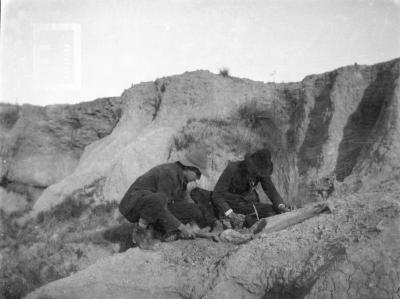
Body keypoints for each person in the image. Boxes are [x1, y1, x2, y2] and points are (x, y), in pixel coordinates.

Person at [118, 147, 213, 249]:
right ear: (189, 168)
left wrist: (195, 225)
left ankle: (157, 232)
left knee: (192, 209)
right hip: (132, 206)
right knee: (160, 200)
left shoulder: (181, 180)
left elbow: (185, 203)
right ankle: (140, 233)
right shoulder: (169, 173)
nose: (198, 178)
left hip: (149, 205)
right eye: (198, 174)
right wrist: (182, 227)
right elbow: (161, 205)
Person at [212, 148, 289, 228]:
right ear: (249, 164)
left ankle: (250, 221)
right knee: (254, 220)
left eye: (260, 172)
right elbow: (217, 194)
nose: (257, 174)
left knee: (274, 212)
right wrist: (231, 214)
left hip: (250, 205)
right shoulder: (232, 169)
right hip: (231, 205)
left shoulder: (261, 171)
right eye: (255, 171)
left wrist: (280, 206)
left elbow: (271, 190)